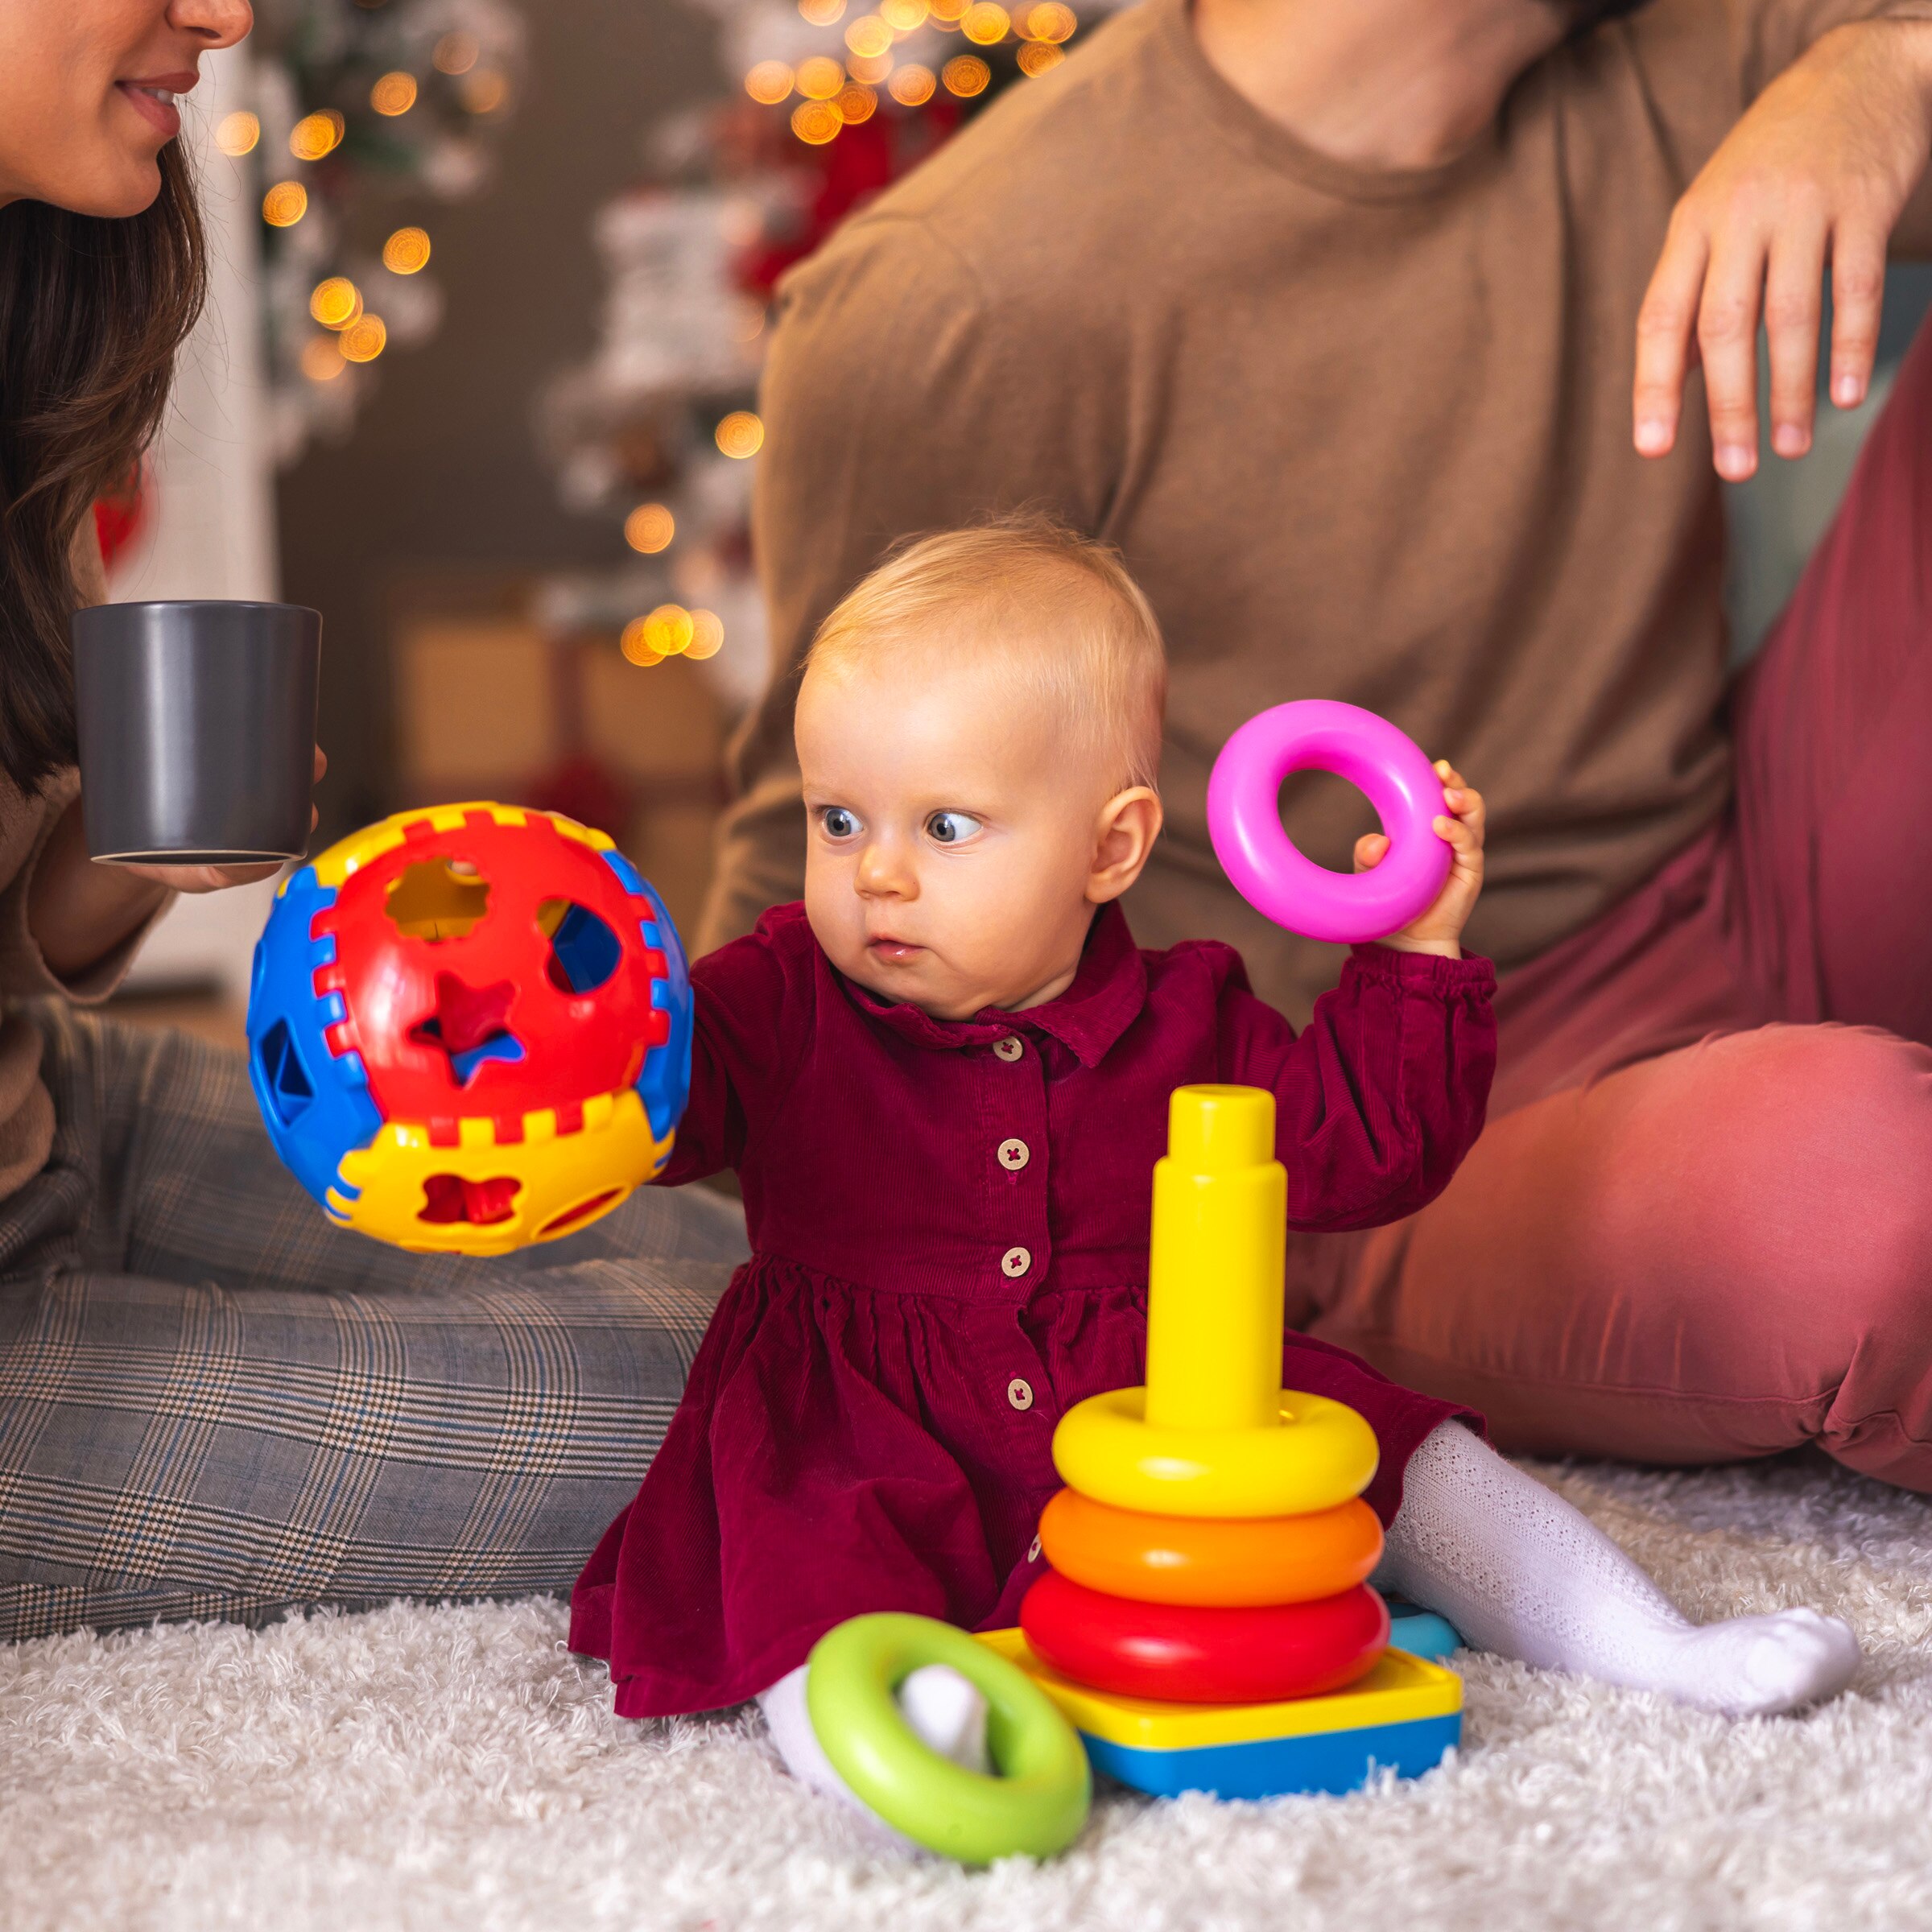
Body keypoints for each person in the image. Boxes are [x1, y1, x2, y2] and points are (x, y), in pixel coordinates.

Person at [707, 0, 1932, 1489]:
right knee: (1865, 1201)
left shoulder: (1710, 52)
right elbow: (822, 857)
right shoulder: (963, 295)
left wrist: (1888, 69)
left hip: (1748, 871)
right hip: (1363, 1125)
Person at [574, 522, 1856, 1848]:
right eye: (837, 819)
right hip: (858, 1411)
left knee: (1415, 1453)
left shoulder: (1191, 1016)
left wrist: (1417, 948)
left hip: (1165, 1385)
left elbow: (1365, 1155)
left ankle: (1647, 1643)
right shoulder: (783, 993)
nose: (876, 872)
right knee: (804, 1555)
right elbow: (662, 1096)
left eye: (945, 826)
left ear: (1111, 847)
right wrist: (588, 1047)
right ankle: (896, 1744)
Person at [0, 0, 746, 1644]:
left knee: (772, 1279)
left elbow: (23, 956)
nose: (226, 16)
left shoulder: (30, 323)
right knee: (730, 1403)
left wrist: (130, 853)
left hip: (52, 1120)